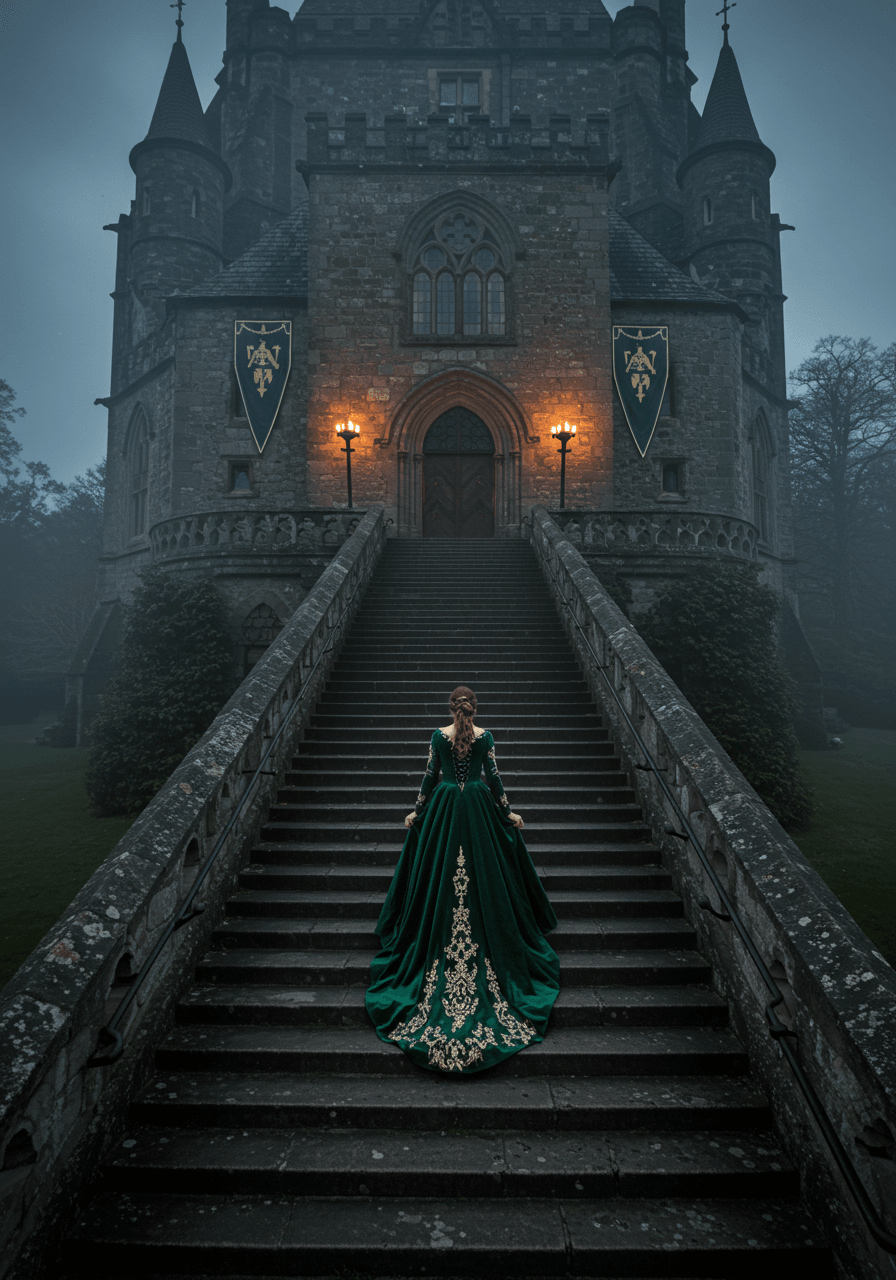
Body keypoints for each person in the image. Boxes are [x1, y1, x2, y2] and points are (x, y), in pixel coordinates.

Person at [366, 686, 560, 1073]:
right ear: (474, 708)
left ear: (450, 709)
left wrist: (416, 812)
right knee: (486, 879)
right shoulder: (485, 737)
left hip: (443, 809)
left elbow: (428, 779)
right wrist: (508, 814)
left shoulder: (438, 736)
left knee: (437, 877)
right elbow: (495, 781)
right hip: (477, 807)